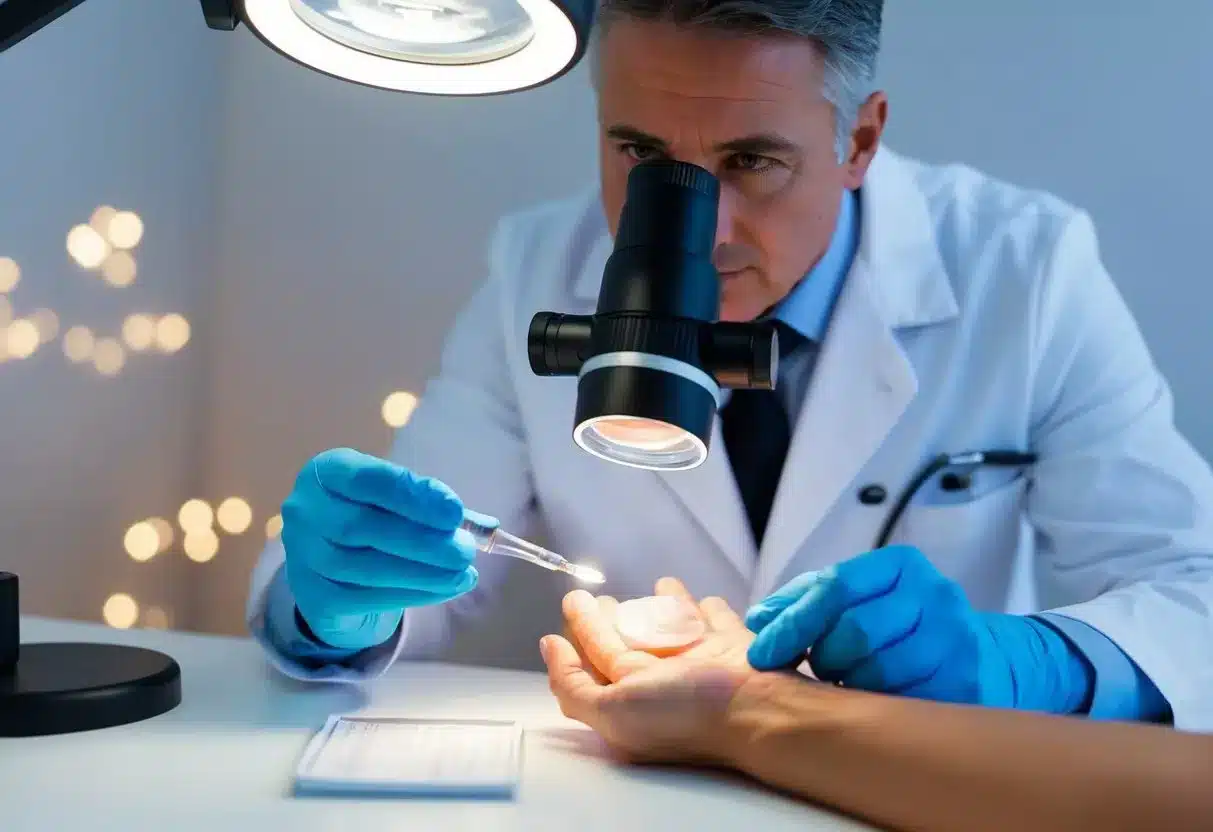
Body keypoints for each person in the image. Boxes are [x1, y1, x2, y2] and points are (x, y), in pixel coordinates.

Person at [246, 0, 1213, 726]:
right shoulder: (533, 270)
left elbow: (1194, 595)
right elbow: (422, 573)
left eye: (751, 162)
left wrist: (1017, 664)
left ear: (859, 141)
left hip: (915, 784)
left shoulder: (1024, 270)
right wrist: (332, 604)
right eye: (640, 152)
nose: (702, 233)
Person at [542, 582, 1213, 832]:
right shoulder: (519, 305)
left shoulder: (1034, 306)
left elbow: (1193, 574)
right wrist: (746, 708)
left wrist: (1049, 657)